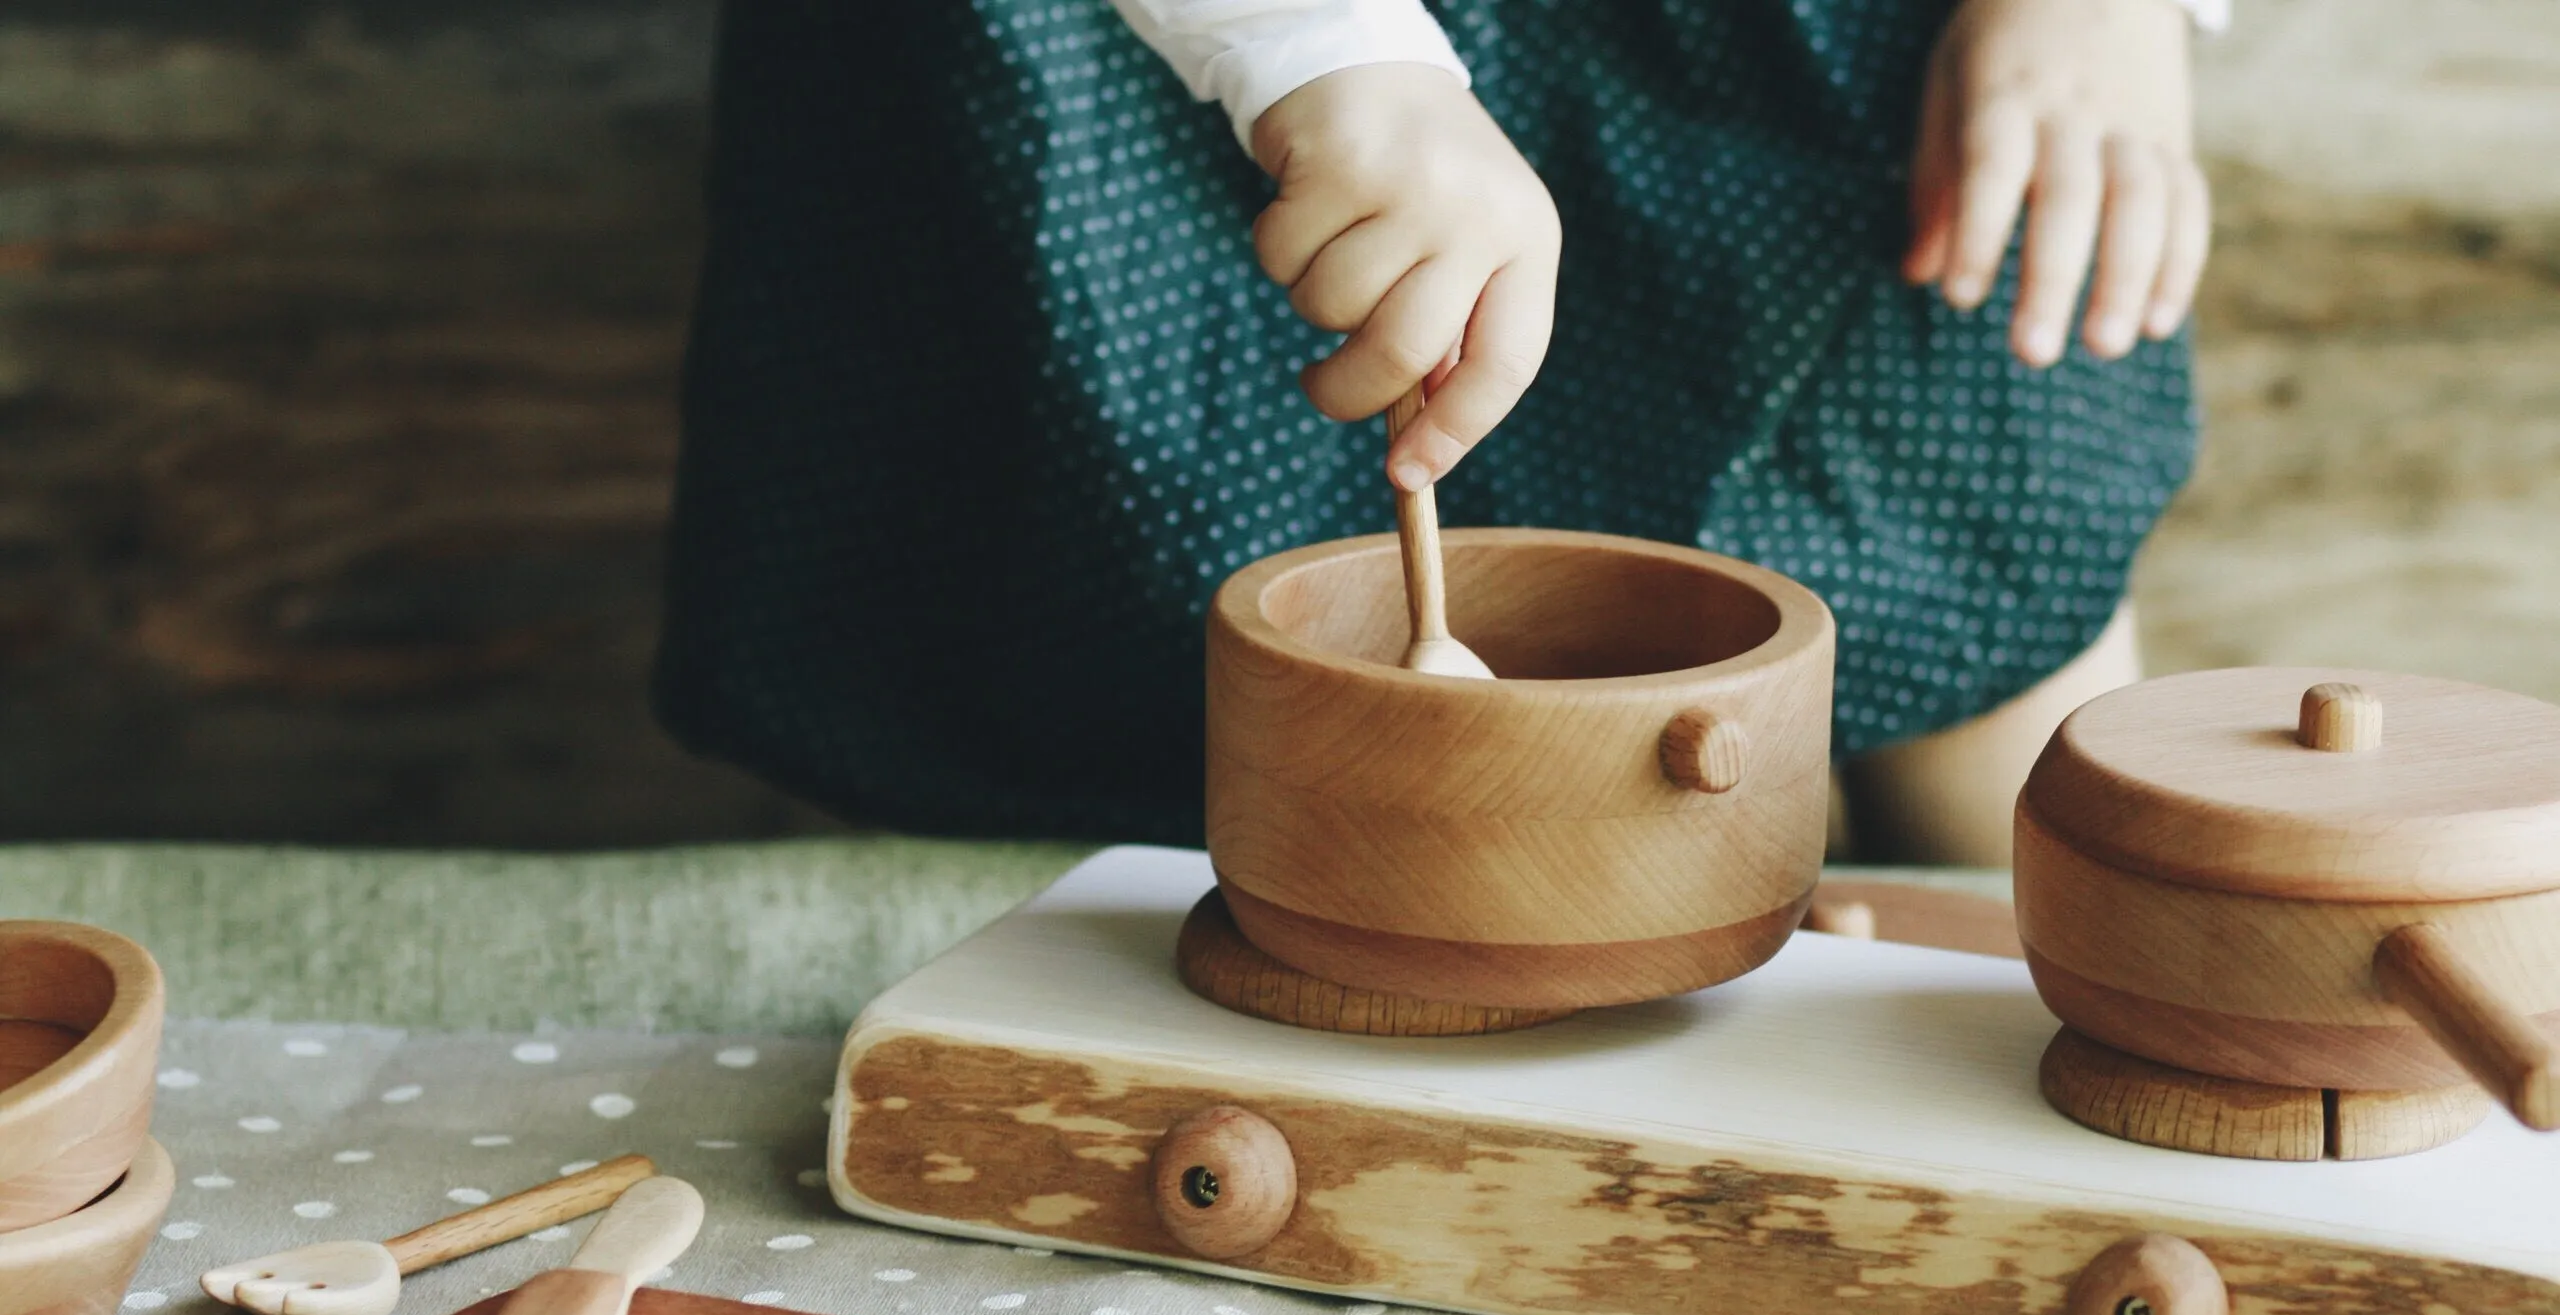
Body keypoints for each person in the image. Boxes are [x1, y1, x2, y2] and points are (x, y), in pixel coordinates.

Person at [656, 0, 2214, 863]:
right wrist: (1324, 54)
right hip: (1127, 71)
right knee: (1091, 596)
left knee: (1937, 472)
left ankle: (2066, 945)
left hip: (1814, 66)